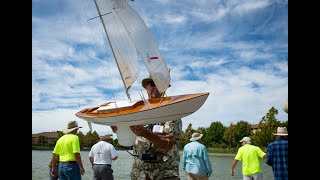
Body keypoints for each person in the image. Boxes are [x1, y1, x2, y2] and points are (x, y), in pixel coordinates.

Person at [112, 77, 182, 180]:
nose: (157, 87)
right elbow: (126, 136)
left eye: (161, 85)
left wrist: (145, 133)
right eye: (153, 84)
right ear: (146, 86)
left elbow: (168, 143)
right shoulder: (135, 110)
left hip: (165, 173)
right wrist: (116, 127)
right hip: (140, 173)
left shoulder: (172, 112)